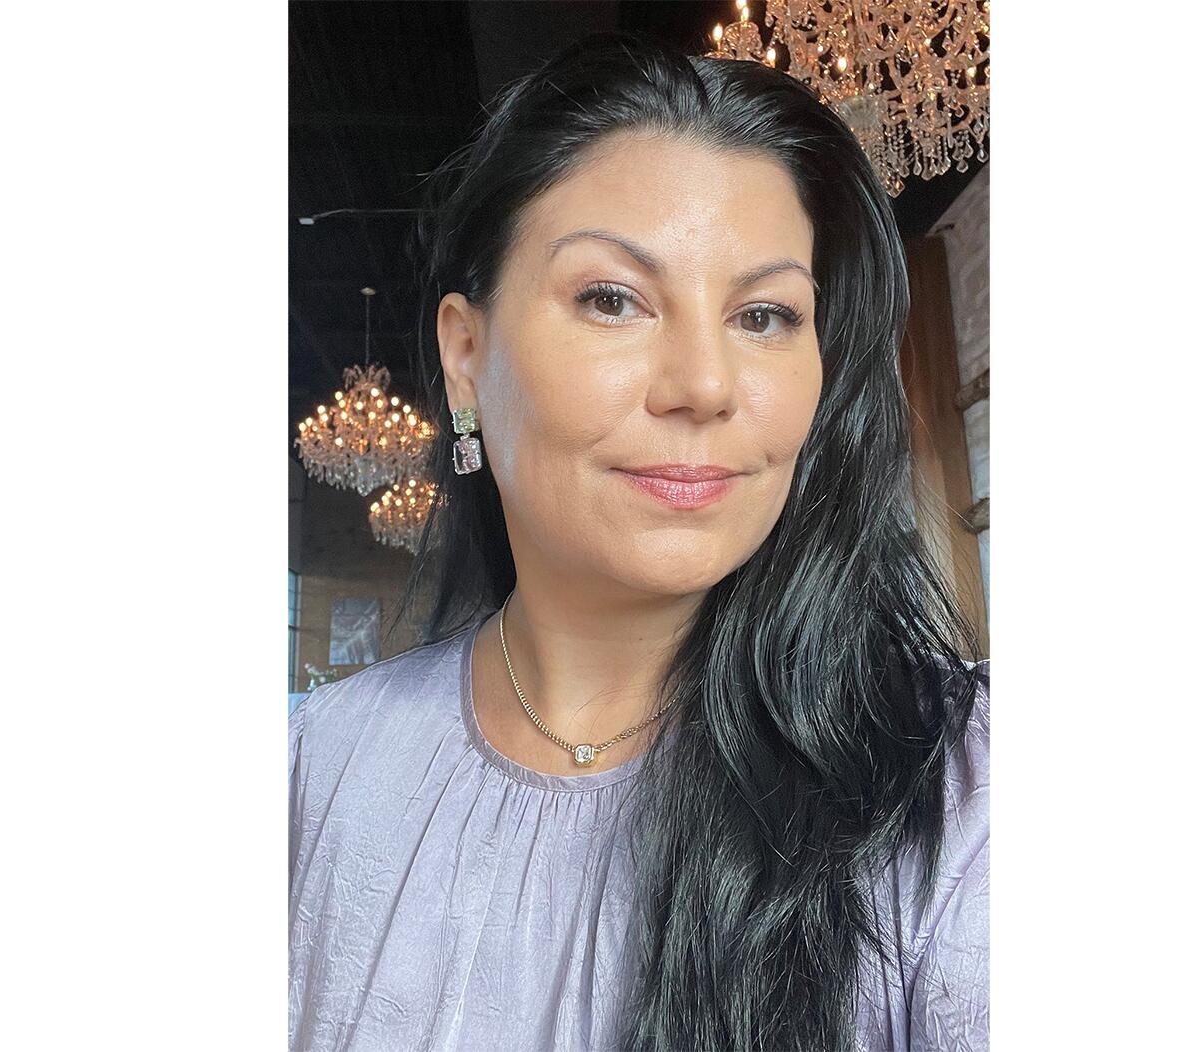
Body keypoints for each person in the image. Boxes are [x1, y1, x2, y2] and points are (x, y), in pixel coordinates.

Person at [290, 30, 988, 1052]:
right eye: (612, 299)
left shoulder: (956, 785)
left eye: (765, 315)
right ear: (466, 354)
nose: (705, 384)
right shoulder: (313, 769)